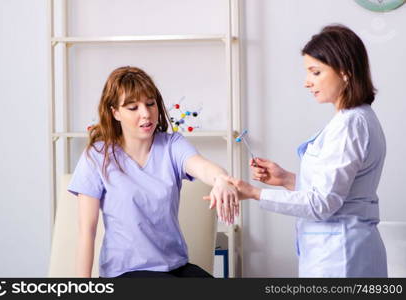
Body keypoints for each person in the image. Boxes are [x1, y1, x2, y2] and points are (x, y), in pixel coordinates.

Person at [208, 24, 388, 277]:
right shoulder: (354, 119)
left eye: (315, 72)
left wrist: (256, 193)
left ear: (345, 72)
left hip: (341, 256)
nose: (307, 82)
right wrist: (286, 179)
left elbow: (323, 203)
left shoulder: (350, 125)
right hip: (338, 249)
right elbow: (337, 191)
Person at [68, 66, 238, 278]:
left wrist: (221, 179)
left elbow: (203, 166)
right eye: (133, 107)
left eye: (150, 104)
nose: (146, 114)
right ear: (115, 112)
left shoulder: (172, 145)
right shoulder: (97, 156)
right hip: (126, 273)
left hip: (176, 268)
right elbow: (87, 230)